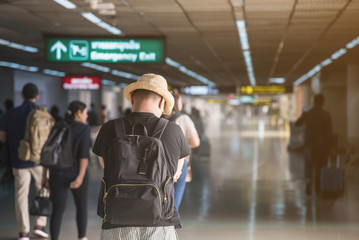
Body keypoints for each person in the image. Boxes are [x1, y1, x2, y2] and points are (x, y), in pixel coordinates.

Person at [92, 73, 190, 240]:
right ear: (161, 102)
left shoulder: (109, 129)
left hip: (116, 222)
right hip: (159, 223)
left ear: (131, 99)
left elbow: (107, 167)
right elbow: (175, 174)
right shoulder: (173, 131)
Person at [0, 83, 49, 240]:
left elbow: (2, 136)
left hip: (19, 160)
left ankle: (23, 232)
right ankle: (40, 225)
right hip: (39, 161)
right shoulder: (41, 113)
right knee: (44, 190)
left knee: (21, 195)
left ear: (21, 95)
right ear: (37, 96)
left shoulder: (10, 113)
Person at [42, 101, 90, 240]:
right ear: (78, 113)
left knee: (57, 210)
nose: (86, 116)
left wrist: (44, 176)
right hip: (76, 173)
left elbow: (47, 150)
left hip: (57, 173)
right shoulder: (83, 129)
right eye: (85, 113)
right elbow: (84, 156)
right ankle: (82, 237)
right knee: (81, 207)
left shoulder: (58, 125)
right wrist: (80, 177)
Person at [296, 94, 333, 196]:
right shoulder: (326, 115)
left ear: (314, 102)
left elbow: (297, 123)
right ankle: (317, 188)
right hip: (321, 146)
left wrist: (304, 116)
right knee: (319, 166)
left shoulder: (308, 114)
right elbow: (329, 132)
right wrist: (330, 147)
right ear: (323, 102)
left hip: (309, 144)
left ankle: (308, 182)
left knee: (308, 164)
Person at [169, 89, 200, 210]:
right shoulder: (183, 118)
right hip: (178, 162)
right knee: (173, 203)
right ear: (177, 102)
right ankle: (169, 224)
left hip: (156, 161)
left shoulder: (157, 116)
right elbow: (195, 142)